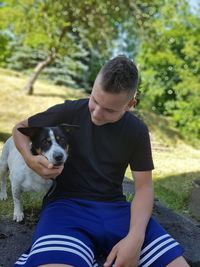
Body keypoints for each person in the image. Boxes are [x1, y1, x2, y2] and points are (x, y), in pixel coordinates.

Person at [13, 56, 189, 267]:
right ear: (93, 86)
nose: (96, 113)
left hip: (117, 211)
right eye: (94, 100)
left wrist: (135, 238)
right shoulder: (70, 111)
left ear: (130, 104)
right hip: (65, 209)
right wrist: (31, 159)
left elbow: (144, 188)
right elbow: (20, 129)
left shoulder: (137, 131)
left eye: (109, 110)